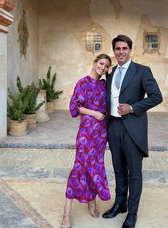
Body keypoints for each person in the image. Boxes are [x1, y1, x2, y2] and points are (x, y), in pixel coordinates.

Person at [102, 34, 163, 228]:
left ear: (130, 50)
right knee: (119, 170)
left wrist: (133, 107)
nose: (121, 52)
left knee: (134, 174)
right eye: (117, 49)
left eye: (124, 48)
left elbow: (156, 97)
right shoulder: (110, 72)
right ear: (114, 51)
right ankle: (120, 204)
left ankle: (132, 213)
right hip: (114, 127)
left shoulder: (142, 71)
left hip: (133, 128)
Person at [61, 54, 112, 228]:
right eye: (101, 63)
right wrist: (94, 113)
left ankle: (92, 202)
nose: (103, 68)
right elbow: (74, 108)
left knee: (95, 169)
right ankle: (66, 214)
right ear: (94, 63)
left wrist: (112, 72)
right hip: (86, 133)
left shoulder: (105, 85)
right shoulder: (83, 83)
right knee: (78, 169)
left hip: (101, 135)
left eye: (106, 66)